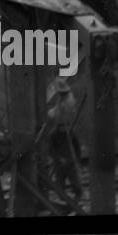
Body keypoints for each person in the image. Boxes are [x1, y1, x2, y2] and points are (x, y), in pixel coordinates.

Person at [45, 77, 83, 205]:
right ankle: (64, 201)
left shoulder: (69, 133)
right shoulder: (54, 134)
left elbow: (76, 147)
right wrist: (58, 158)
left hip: (69, 161)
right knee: (60, 184)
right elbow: (51, 148)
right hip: (60, 162)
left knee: (75, 183)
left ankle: (75, 199)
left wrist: (77, 159)